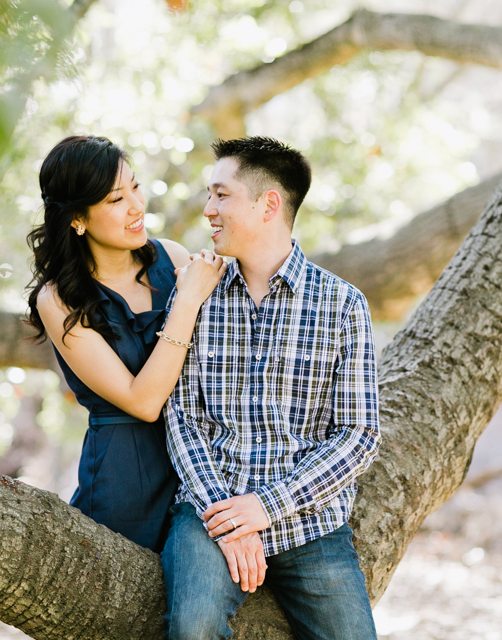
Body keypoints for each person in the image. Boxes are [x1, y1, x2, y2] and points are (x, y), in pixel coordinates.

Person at [161, 136, 381, 640]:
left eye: (221, 195)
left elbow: (359, 434)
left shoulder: (342, 305)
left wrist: (264, 508)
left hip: (309, 521)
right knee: (192, 627)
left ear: (269, 205)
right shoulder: (195, 293)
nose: (208, 209)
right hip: (208, 511)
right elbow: (182, 419)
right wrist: (226, 515)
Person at [26, 135, 226, 553]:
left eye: (135, 187)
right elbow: (143, 401)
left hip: (200, 471)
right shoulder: (59, 299)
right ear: (77, 218)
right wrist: (186, 301)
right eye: (116, 199)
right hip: (125, 484)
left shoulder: (172, 259)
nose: (137, 206)